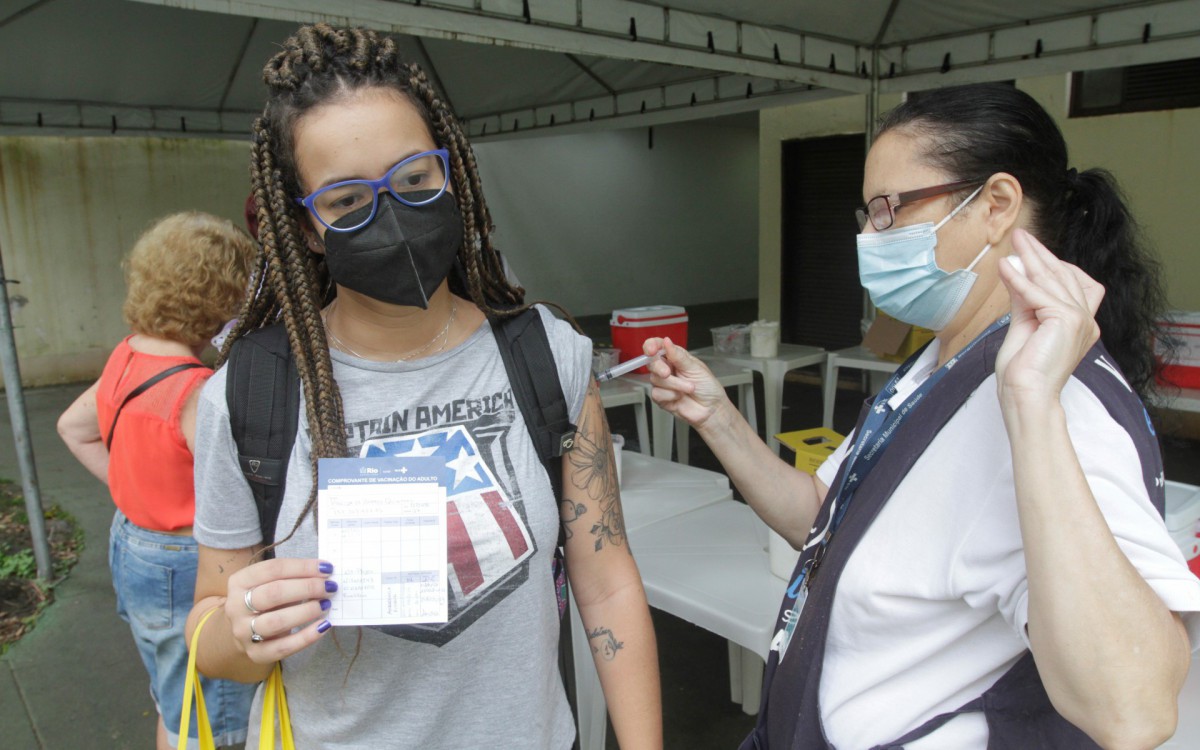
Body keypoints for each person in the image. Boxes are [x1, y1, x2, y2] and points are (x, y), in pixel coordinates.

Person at [645, 83, 1200, 749]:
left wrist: (1030, 408)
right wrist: (718, 419)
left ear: (995, 205)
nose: (867, 237)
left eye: (887, 210)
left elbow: (1135, 708)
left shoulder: (1057, 406)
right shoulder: (939, 359)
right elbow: (824, 520)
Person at [183, 23, 662, 749]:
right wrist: (241, 630)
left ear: (453, 173)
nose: (393, 217)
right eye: (347, 202)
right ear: (307, 227)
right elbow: (209, 632)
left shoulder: (547, 357)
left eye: (414, 181)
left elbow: (606, 581)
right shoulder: (251, 396)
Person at [57, 211, 258, 749]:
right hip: (185, 562)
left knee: (173, 692)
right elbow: (236, 490)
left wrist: (134, 490)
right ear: (221, 298)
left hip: (131, 543)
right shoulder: (195, 390)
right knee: (209, 714)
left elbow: (73, 429)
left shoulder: (127, 353)